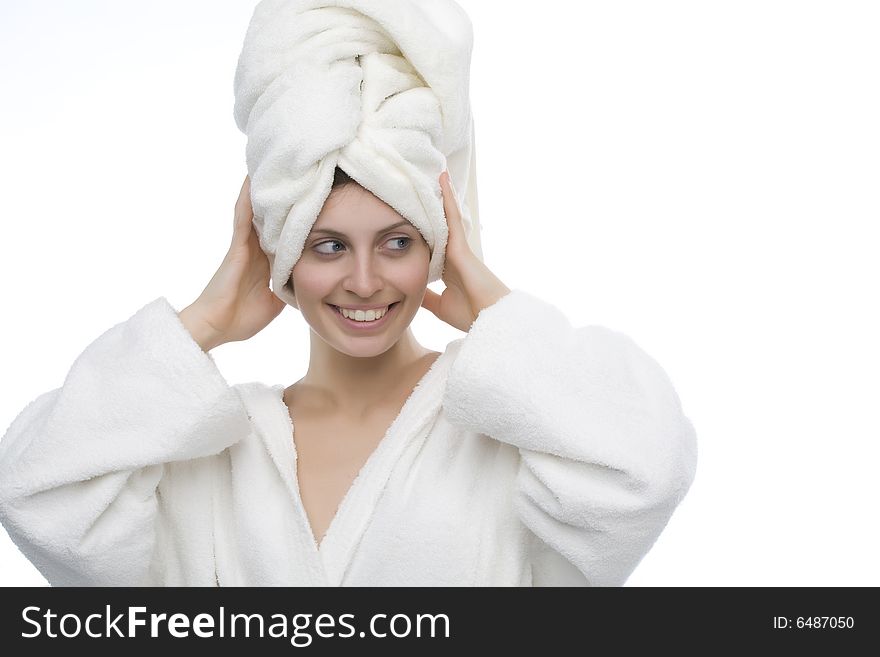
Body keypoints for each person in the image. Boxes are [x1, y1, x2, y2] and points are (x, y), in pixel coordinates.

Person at [0, 164, 697, 586]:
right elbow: (40, 495)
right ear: (279, 261)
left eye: (398, 242)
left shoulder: (507, 432)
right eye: (327, 245)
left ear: (438, 251)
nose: (364, 282)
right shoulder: (213, 455)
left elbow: (645, 467)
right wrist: (205, 320)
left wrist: (493, 304)